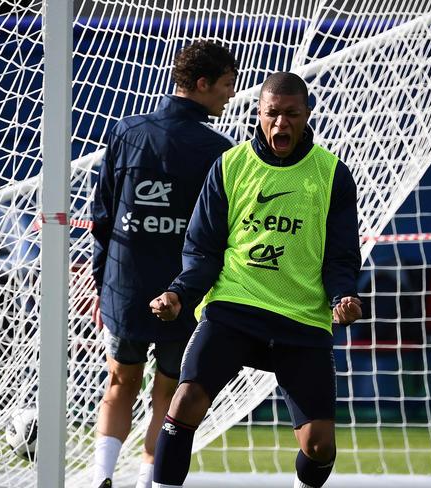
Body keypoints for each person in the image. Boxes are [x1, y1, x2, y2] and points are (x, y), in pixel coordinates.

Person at [149, 72, 363, 488]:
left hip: (301, 318)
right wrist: (179, 293)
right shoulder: (230, 166)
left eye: (291, 114)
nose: (281, 123)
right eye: (272, 114)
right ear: (259, 114)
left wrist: (344, 295)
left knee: (319, 445)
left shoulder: (332, 175)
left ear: (306, 115)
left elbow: (340, 254)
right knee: (186, 399)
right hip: (235, 306)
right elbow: (203, 250)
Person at [90, 41, 238, 488]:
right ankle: (145, 482)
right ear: (202, 83)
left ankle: (100, 479)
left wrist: (104, 284)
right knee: (167, 394)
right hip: (182, 294)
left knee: (120, 381)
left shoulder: (126, 131)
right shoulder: (220, 151)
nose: (230, 96)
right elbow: (218, 236)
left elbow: (103, 217)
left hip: (125, 286)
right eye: (226, 86)